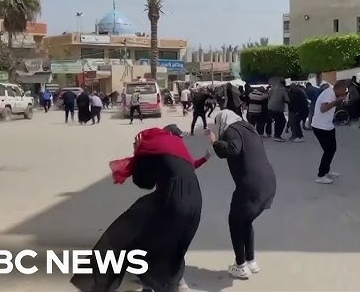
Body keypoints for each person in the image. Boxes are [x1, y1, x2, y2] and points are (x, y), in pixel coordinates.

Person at [71, 128, 209, 292]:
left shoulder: (148, 150)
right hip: (195, 203)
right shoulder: (174, 144)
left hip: (170, 201)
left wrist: (138, 153)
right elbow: (185, 168)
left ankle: (95, 283)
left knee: (123, 235)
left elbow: (144, 182)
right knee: (169, 244)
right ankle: (165, 284)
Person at [206, 110, 276, 279]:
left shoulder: (232, 130)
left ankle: (240, 265)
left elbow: (232, 149)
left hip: (250, 187)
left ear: (224, 121)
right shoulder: (249, 128)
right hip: (267, 183)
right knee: (245, 221)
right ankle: (251, 260)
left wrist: (215, 143)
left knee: (235, 223)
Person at [311, 81, 347, 184]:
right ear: (339, 88)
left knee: (331, 150)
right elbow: (323, 109)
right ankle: (321, 175)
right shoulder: (329, 94)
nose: (345, 92)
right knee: (329, 151)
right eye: (344, 90)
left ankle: (326, 170)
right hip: (320, 127)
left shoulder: (333, 94)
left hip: (328, 126)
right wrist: (338, 100)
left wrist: (340, 101)